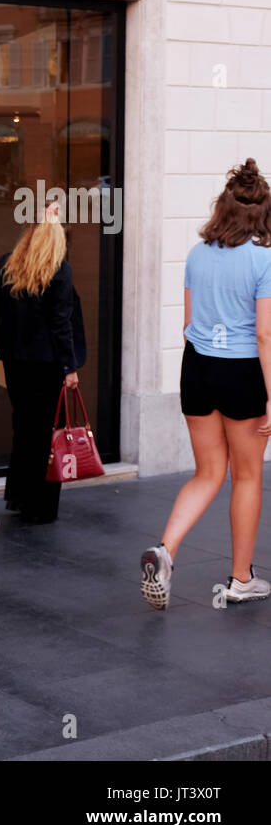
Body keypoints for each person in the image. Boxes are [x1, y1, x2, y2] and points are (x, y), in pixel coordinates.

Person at [141, 159, 271, 609]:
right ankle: (241, 578)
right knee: (247, 475)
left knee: (208, 472)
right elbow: (264, 334)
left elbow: (188, 324)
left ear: (223, 208)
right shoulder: (264, 259)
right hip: (242, 371)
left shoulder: (198, 254)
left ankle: (165, 552)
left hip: (197, 366)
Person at [0, 201, 86, 524]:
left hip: (17, 364)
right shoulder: (60, 270)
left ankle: (19, 497)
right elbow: (62, 324)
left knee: (23, 429)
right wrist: (69, 368)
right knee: (46, 436)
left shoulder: (7, 265)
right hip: (48, 367)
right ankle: (40, 507)